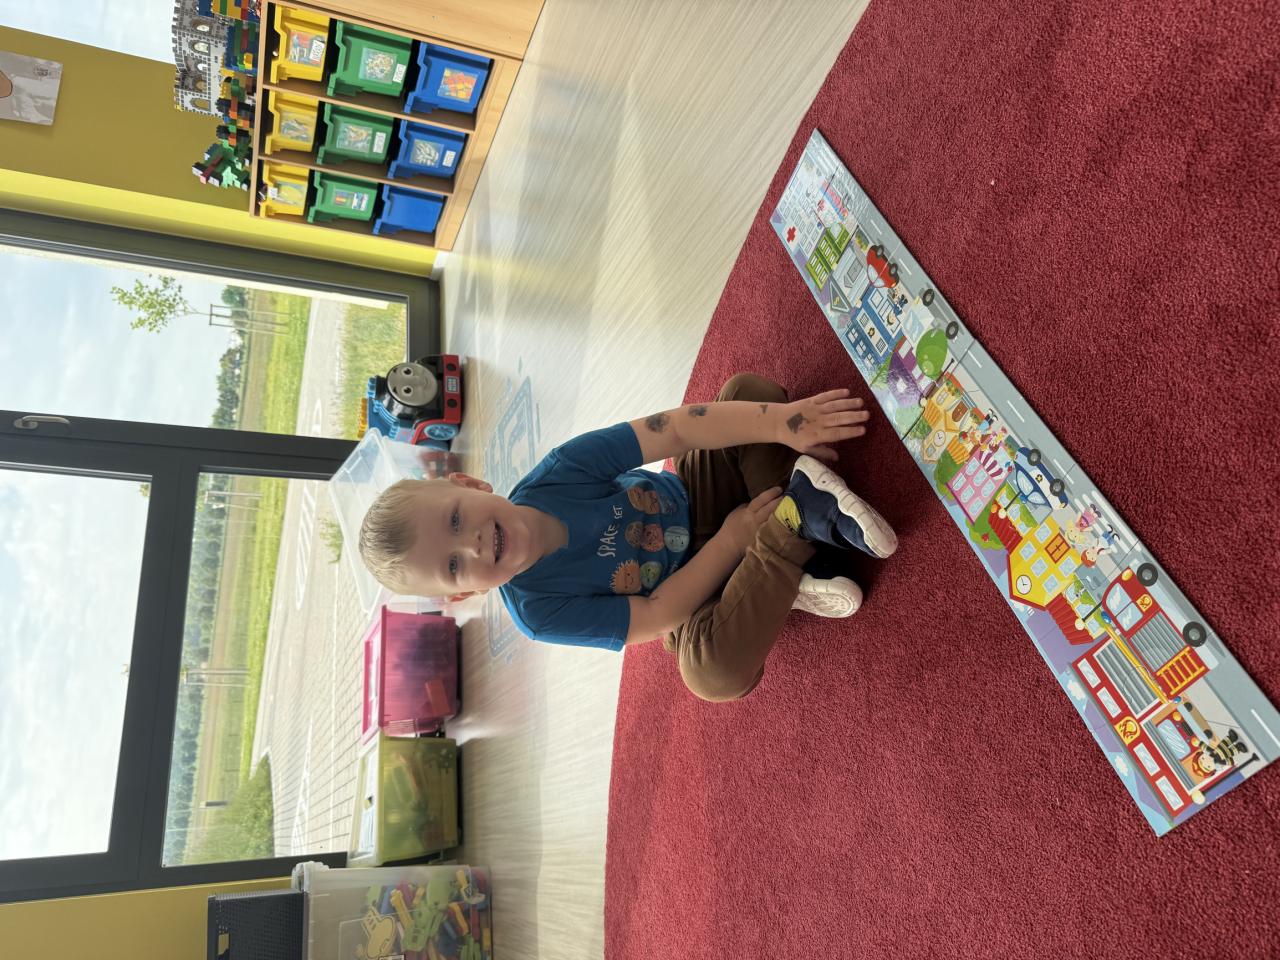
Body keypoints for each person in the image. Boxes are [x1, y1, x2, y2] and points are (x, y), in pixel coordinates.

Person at [359, 374, 897, 702]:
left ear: (470, 484)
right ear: (465, 593)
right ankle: (789, 530)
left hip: (698, 496)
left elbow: (675, 429)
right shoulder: (538, 612)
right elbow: (657, 614)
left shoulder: (561, 470)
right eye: (454, 565)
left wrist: (783, 423)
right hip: (692, 596)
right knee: (710, 674)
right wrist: (733, 542)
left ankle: (784, 561)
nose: (472, 545)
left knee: (747, 394)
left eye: (455, 521)